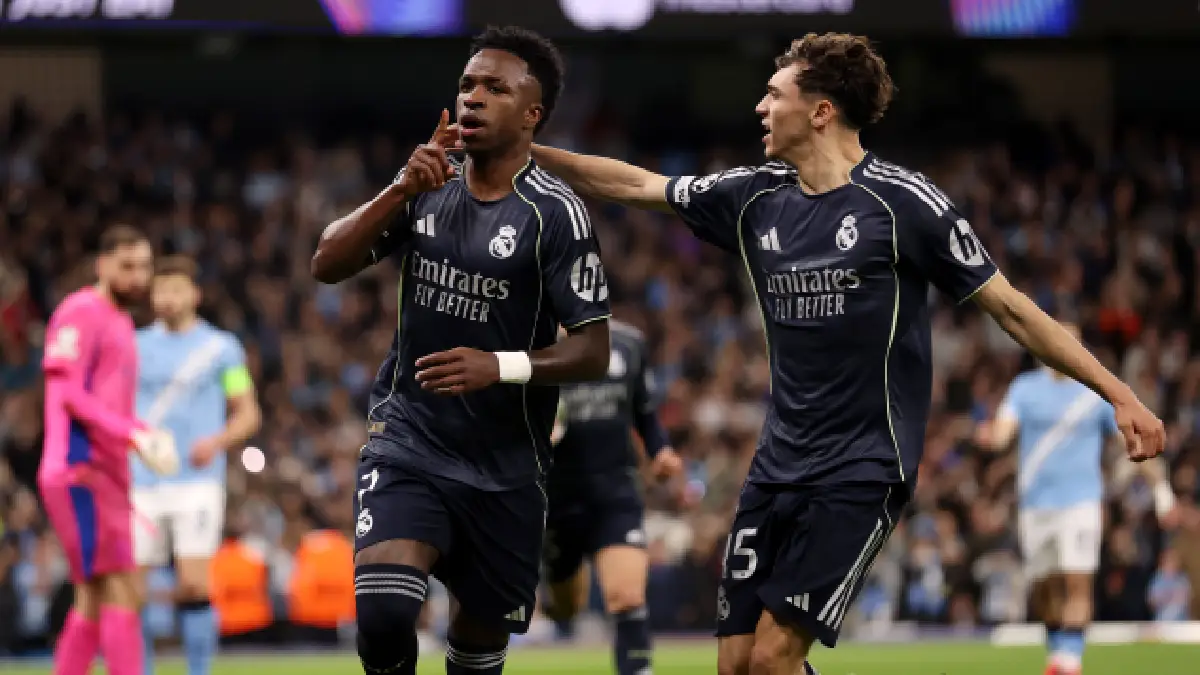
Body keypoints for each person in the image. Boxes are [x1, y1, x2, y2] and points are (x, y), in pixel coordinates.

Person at [530, 31, 1166, 675]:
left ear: (821, 111)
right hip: (775, 467)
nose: (759, 107)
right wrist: (525, 153)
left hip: (862, 468)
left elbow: (1013, 309)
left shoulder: (904, 203)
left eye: (774, 94)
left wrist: (1121, 394)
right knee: (736, 665)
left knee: (774, 659)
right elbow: (639, 184)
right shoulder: (754, 195)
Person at [311, 25, 612, 675]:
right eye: (467, 84)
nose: (472, 97)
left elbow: (593, 351)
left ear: (532, 115)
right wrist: (398, 188)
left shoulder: (557, 215)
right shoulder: (428, 183)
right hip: (410, 443)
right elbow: (325, 263)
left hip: (506, 469)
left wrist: (499, 366)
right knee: (386, 616)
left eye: (495, 88)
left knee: (474, 657)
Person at [977, 321, 1176, 675]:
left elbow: (1129, 440)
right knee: (1044, 591)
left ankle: (1069, 661)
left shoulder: (1092, 394)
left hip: (1081, 500)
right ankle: (1059, 652)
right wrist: (990, 437)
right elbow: (1003, 432)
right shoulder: (1025, 388)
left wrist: (1162, 490)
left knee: (1077, 580)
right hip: (1035, 504)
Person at [37, 225, 178, 675]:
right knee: (123, 590)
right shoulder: (80, 310)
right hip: (80, 468)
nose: (138, 277)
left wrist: (141, 431)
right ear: (102, 265)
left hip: (106, 472)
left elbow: (109, 403)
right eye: (127, 266)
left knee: (93, 600)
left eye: (144, 267)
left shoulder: (120, 323)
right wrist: (130, 434)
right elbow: (68, 394)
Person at [132, 254, 262, 675]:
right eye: (161, 290)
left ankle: (198, 671)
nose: (167, 298)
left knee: (193, 583)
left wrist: (217, 441)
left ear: (195, 294)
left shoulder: (220, 348)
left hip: (198, 481)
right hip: (140, 479)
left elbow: (247, 413)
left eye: (176, 289)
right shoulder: (133, 346)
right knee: (134, 589)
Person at [543, 319, 683, 675]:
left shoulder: (628, 343)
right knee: (565, 607)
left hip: (614, 494)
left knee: (627, 596)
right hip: (555, 502)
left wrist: (661, 451)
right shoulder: (532, 345)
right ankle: (555, 590)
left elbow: (646, 414)